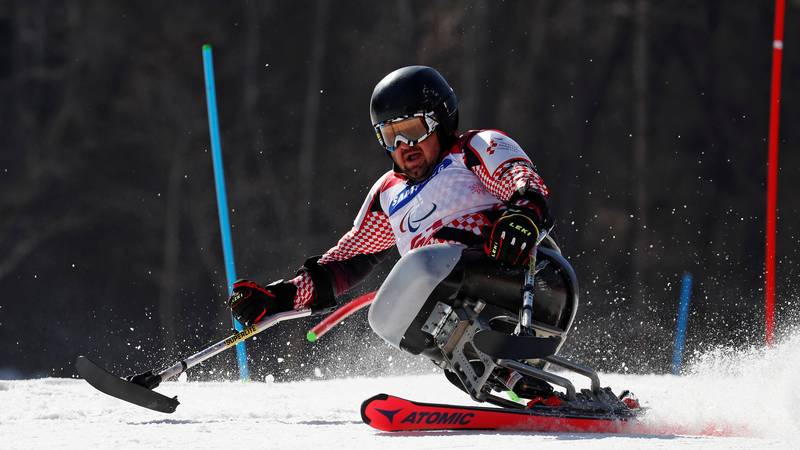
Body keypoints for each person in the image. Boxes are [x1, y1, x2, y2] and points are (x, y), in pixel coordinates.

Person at [229, 66, 566, 401]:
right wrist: (279, 298)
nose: (405, 146)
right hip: (460, 298)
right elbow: (347, 259)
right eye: (391, 137)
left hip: (526, 280)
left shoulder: (471, 149)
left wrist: (523, 215)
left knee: (420, 266)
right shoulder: (389, 193)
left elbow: (519, 178)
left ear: (440, 120)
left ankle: (503, 363)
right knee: (384, 315)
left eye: (413, 130)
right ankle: (505, 375)